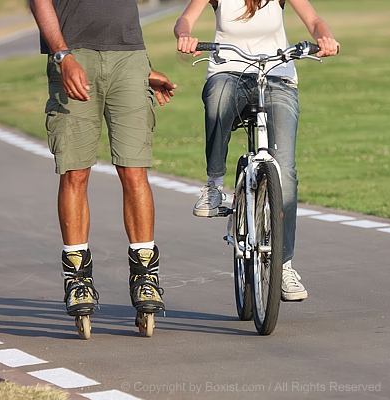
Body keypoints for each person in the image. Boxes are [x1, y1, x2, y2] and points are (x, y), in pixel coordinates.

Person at [174, 0, 339, 301]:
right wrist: (185, 36)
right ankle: (213, 185)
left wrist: (325, 37)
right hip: (228, 74)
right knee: (218, 102)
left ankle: (284, 265)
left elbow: (314, 21)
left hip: (276, 76)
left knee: (285, 172)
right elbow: (184, 21)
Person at [30, 0, 177, 325]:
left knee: (134, 169)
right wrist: (62, 56)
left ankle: (145, 276)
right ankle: (77, 278)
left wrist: (142, 66)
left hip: (130, 58)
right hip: (72, 56)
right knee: (75, 172)